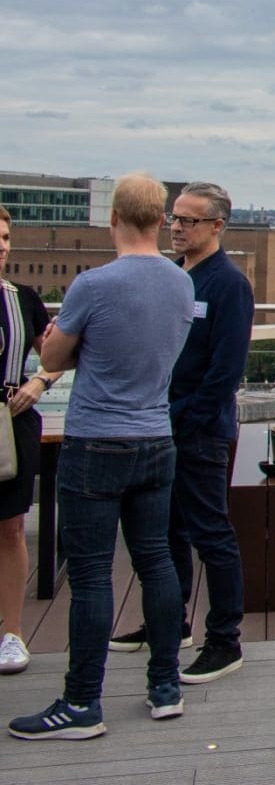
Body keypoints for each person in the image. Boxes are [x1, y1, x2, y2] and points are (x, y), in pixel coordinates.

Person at [8, 174, 194, 739]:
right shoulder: (182, 284)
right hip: (155, 437)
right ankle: (165, 686)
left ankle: (82, 701)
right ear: (161, 220)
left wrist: (73, 340)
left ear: (112, 219)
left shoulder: (93, 285)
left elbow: (55, 355)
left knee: (90, 575)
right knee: (156, 561)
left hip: (96, 442)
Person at [108, 182, 253, 684]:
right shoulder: (173, 277)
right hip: (161, 426)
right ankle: (168, 624)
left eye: (189, 220)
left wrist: (182, 419)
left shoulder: (227, 285)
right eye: (174, 218)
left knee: (211, 533)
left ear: (217, 226)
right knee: (165, 534)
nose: (176, 227)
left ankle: (224, 639)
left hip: (199, 433)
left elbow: (224, 370)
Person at [0, 205, 57, 676]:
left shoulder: (23, 298)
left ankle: (12, 632)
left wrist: (40, 382)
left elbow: (56, 351)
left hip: (10, 419)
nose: (1, 245)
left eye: (5, 237)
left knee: (12, 528)